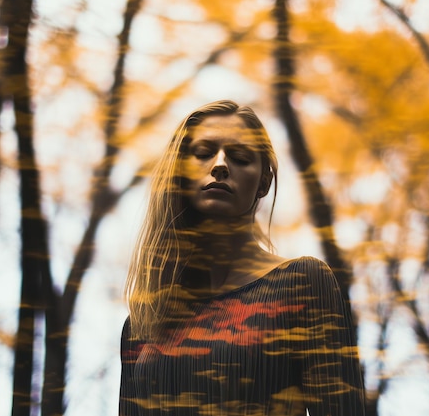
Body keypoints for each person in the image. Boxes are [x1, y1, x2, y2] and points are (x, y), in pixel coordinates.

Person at [120, 100, 365, 416]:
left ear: (264, 181)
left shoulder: (302, 284)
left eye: (239, 157)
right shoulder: (144, 321)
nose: (220, 164)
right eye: (203, 153)